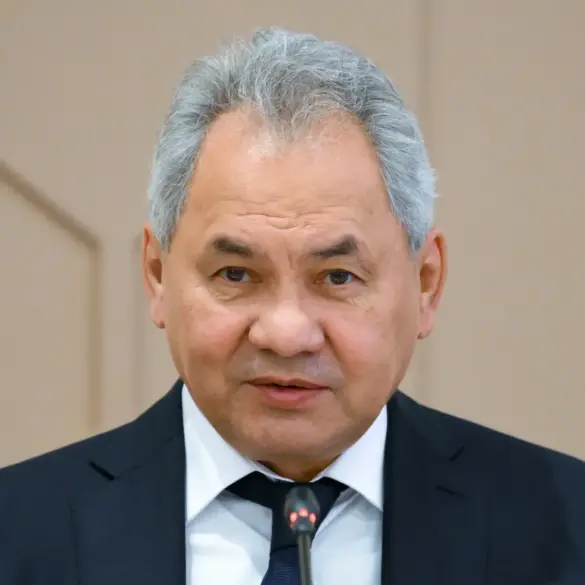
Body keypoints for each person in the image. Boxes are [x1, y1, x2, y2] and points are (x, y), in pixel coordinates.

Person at [1, 27, 584, 585]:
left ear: (426, 283)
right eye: (236, 274)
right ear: (157, 275)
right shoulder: (19, 531)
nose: (285, 334)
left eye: (337, 277)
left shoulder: (564, 525)